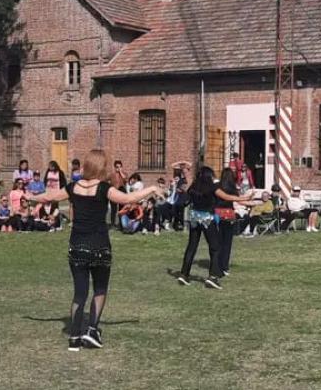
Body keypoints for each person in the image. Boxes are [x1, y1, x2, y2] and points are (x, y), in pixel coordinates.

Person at [26, 149, 161, 351]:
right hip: (99, 246)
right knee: (99, 289)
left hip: (77, 246)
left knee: (79, 293)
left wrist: (31, 196)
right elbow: (128, 198)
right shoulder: (104, 188)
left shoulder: (73, 187)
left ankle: (74, 337)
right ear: (102, 167)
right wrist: (151, 189)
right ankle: (91, 330)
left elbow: (49, 196)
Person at [177, 166, 252, 289]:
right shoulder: (212, 187)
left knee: (192, 246)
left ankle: (184, 274)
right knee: (215, 247)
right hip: (207, 218)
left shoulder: (193, 186)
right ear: (208, 176)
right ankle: (212, 277)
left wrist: (186, 169)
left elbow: (188, 178)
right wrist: (244, 198)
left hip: (194, 217)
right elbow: (227, 197)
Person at [216, 168, 255, 276]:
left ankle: (216, 264)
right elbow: (240, 201)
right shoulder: (232, 188)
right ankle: (224, 266)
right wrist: (251, 202)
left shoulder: (218, 186)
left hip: (217, 214)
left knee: (218, 241)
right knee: (227, 242)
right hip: (228, 214)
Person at [108, 160, 128, 227]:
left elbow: (125, 180)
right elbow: (107, 180)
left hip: (121, 193)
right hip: (113, 194)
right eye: (117, 167)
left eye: (119, 167)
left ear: (121, 167)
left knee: (121, 209)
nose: (118, 168)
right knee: (113, 209)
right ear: (114, 167)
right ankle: (112, 224)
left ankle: (121, 224)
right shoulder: (111, 175)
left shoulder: (124, 174)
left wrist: (120, 172)